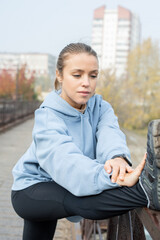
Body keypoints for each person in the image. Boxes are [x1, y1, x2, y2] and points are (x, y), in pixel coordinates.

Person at [11, 43, 160, 240]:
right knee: (85, 202)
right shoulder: (47, 118)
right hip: (32, 189)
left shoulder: (101, 107)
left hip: (60, 184)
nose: (86, 83)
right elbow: (70, 165)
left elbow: (110, 133)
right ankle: (146, 191)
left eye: (93, 75)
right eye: (77, 75)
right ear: (59, 75)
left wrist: (117, 159)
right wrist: (113, 178)